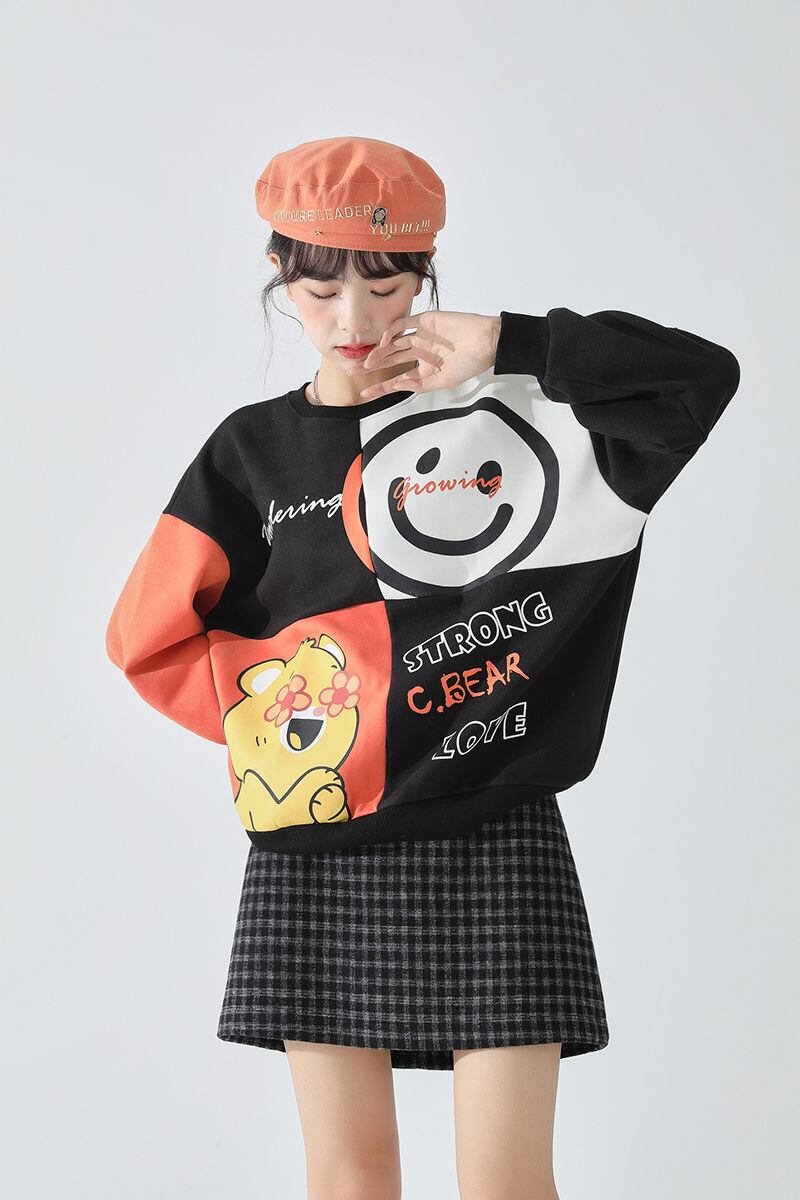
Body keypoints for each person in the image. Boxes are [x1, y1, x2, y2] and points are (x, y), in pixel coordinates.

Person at [105, 135, 741, 1200]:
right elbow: (149, 635)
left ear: (426, 271)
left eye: (387, 284)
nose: (353, 320)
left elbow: (699, 380)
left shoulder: (523, 418)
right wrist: (303, 724)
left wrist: (512, 343)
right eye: (320, 289)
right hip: (320, 845)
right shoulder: (250, 453)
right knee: (350, 1181)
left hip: (496, 828)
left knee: (506, 1186)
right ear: (279, 275)